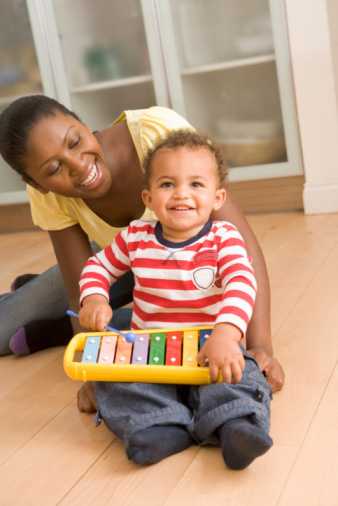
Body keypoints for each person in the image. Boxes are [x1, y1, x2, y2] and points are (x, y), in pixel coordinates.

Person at [0, 94, 284, 404]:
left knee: (190, 329)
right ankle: (42, 301)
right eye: (54, 168)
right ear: (37, 183)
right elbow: (78, 287)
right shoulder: (47, 195)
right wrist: (93, 371)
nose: (79, 166)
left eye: (74, 141)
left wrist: (261, 348)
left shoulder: (155, 132)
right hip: (115, 263)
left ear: (82, 123)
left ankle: (51, 324)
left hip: (190, 272)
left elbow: (243, 252)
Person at [78, 130, 273, 468]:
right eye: (167, 184)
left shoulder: (223, 237)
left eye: (196, 184)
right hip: (149, 352)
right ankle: (159, 427)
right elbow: (97, 266)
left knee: (242, 374)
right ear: (148, 197)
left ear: (217, 197)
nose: (181, 194)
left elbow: (242, 282)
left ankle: (235, 425)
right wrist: (94, 297)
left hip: (209, 349)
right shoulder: (135, 237)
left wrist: (227, 334)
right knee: (115, 378)